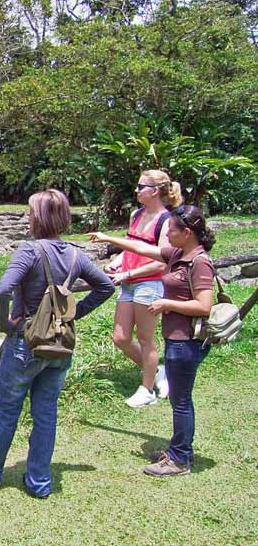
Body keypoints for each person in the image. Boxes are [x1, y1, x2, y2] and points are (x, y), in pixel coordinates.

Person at [0, 189, 114, 498]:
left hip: (25, 342)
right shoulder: (75, 254)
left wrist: (4, 324)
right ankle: (39, 481)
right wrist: (73, 314)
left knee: (7, 411)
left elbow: (3, 290)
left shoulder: (29, 251)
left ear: (39, 218)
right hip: (59, 343)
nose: (27, 217)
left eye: (30, 212)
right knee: (46, 412)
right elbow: (105, 286)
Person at [89, 204, 215, 476]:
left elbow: (205, 306)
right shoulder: (179, 254)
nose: (167, 234)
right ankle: (177, 450)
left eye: (171, 229)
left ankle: (180, 459)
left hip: (186, 342)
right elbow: (142, 249)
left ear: (187, 232)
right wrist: (109, 238)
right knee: (179, 400)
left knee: (181, 402)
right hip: (175, 339)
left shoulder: (199, 262)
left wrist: (165, 303)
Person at [105, 170, 183, 408]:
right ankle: (157, 371)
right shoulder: (136, 214)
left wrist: (127, 273)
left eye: (141, 186)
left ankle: (147, 389)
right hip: (128, 283)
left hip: (150, 283)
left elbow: (162, 261)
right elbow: (131, 246)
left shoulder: (167, 220)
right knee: (120, 337)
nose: (137, 190)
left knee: (145, 338)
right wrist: (117, 261)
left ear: (155, 191)